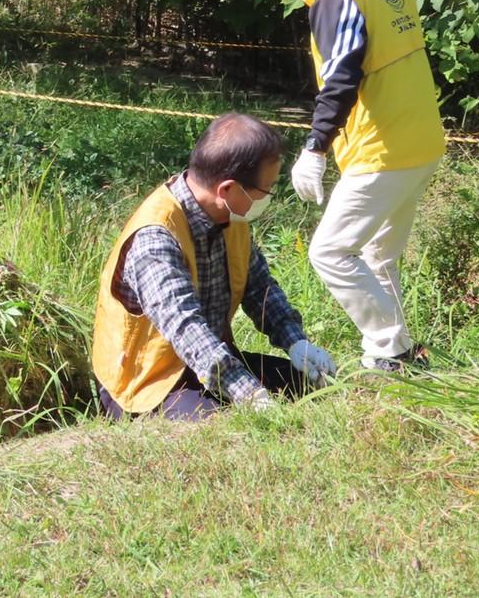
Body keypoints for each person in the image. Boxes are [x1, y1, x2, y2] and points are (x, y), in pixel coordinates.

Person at [252, 0, 446, 372]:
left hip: (383, 147)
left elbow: (342, 72)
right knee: (379, 255)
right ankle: (401, 361)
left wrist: (315, 148)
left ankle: (391, 349)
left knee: (331, 252)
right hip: (421, 137)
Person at [91, 113, 336, 420]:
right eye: (268, 189)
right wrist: (249, 393)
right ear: (228, 190)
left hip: (210, 363)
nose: (270, 197)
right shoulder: (156, 238)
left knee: (314, 386)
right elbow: (187, 330)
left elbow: (260, 289)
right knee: (228, 424)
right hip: (151, 381)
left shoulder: (232, 217)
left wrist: (296, 341)